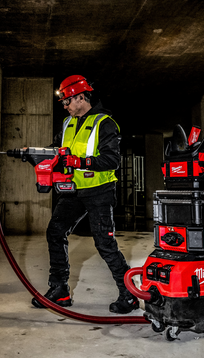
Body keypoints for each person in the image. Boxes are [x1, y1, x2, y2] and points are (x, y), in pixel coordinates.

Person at [31, 75, 139, 314]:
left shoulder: (105, 123)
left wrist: (80, 161)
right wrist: (36, 154)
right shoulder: (67, 123)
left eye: (67, 100)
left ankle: (129, 295)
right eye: (63, 102)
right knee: (55, 232)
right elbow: (57, 150)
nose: (65, 106)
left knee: (104, 243)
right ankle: (59, 290)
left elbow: (112, 160)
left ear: (81, 97)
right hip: (73, 190)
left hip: (99, 191)